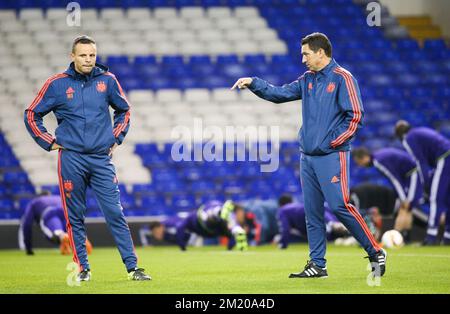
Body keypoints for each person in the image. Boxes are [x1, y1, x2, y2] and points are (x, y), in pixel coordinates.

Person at [232, 32, 386, 278]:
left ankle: (375, 250)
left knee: (340, 206)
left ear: (320, 53)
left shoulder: (343, 78)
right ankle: (318, 264)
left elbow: (355, 116)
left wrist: (331, 142)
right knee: (312, 212)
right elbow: (279, 94)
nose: (302, 58)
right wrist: (254, 82)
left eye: (306, 53)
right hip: (308, 157)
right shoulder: (307, 80)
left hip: (332, 155)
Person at [24, 35, 150, 281]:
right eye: (83, 55)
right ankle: (83, 269)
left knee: (115, 212)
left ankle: (133, 268)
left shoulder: (108, 81)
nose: (88, 60)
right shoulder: (56, 84)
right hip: (71, 159)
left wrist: (115, 137)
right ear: (72, 56)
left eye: (92, 55)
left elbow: (124, 110)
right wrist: (48, 141)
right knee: (74, 216)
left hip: (101, 159)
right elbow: (31, 114)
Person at [352, 147, 426, 240]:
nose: (360, 165)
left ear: (363, 157)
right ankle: (404, 237)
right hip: (407, 176)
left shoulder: (378, 161)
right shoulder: (378, 157)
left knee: (406, 206)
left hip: (412, 174)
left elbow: (394, 179)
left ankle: (398, 237)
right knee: (406, 208)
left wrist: (403, 198)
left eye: (359, 162)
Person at [395, 121, 450, 244]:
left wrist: (425, 184)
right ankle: (447, 237)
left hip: (445, 159)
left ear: (399, 135)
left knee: (436, 199)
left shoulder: (408, 138)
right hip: (446, 156)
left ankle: (431, 236)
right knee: (448, 200)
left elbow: (419, 163)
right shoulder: (418, 132)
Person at [140, 201, 249, 251]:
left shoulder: (169, 223)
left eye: (156, 231)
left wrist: (182, 247)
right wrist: (230, 248)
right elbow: (143, 231)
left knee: (209, 218)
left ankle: (220, 211)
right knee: (229, 230)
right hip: (213, 230)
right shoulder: (164, 231)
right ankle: (235, 227)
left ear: (160, 227)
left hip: (199, 222)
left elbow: (180, 227)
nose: (156, 235)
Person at [19, 192, 93, 256]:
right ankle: (83, 239)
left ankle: (62, 236)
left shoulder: (35, 202)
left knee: (57, 233)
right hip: (66, 211)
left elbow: (27, 224)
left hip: (49, 213)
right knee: (73, 230)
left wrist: (28, 248)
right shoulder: (58, 197)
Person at [275, 195, 348, 249]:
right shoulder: (297, 205)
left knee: (326, 230)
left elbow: (285, 229)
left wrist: (283, 244)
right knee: (330, 223)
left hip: (310, 216)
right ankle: (336, 225)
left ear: (280, 204)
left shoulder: (282, 210)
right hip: (319, 210)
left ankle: (335, 228)